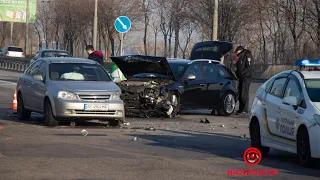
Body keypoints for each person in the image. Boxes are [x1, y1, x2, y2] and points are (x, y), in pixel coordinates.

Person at [234, 46, 253, 116]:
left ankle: (245, 110)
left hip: (246, 77)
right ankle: (241, 109)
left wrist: (241, 73)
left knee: (244, 94)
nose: (236, 53)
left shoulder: (247, 55)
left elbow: (249, 68)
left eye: (237, 51)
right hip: (241, 77)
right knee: (240, 94)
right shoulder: (241, 57)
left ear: (240, 51)